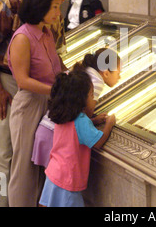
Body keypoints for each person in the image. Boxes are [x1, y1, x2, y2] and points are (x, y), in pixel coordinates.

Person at [0, 0, 75, 207]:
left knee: (32, 156)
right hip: (7, 80)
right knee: (6, 152)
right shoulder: (11, 5)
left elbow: (54, 57)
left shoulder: (51, 21)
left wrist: (69, 77)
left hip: (40, 89)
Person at [7, 0, 65, 207]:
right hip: (30, 105)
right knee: (24, 169)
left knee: (42, 164)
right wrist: (56, 90)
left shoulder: (47, 32)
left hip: (49, 102)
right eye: (54, 7)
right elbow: (23, 80)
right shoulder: (23, 37)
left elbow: (55, 65)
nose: (58, 13)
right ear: (40, 6)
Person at [31, 47, 121, 168]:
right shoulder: (97, 81)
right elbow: (87, 115)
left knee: (49, 177)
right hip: (53, 136)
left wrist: (93, 121)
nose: (119, 77)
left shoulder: (85, 71)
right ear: (105, 73)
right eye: (118, 73)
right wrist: (108, 124)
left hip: (45, 129)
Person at [39, 70, 116, 207]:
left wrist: (93, 120)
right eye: (91, 95)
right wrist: (109, 125)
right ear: (80, 98)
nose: (94, 99)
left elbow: (74, 131)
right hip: (68, 180)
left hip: (54, 172)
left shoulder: (64, 114)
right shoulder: (81, 120)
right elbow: (97, 142)